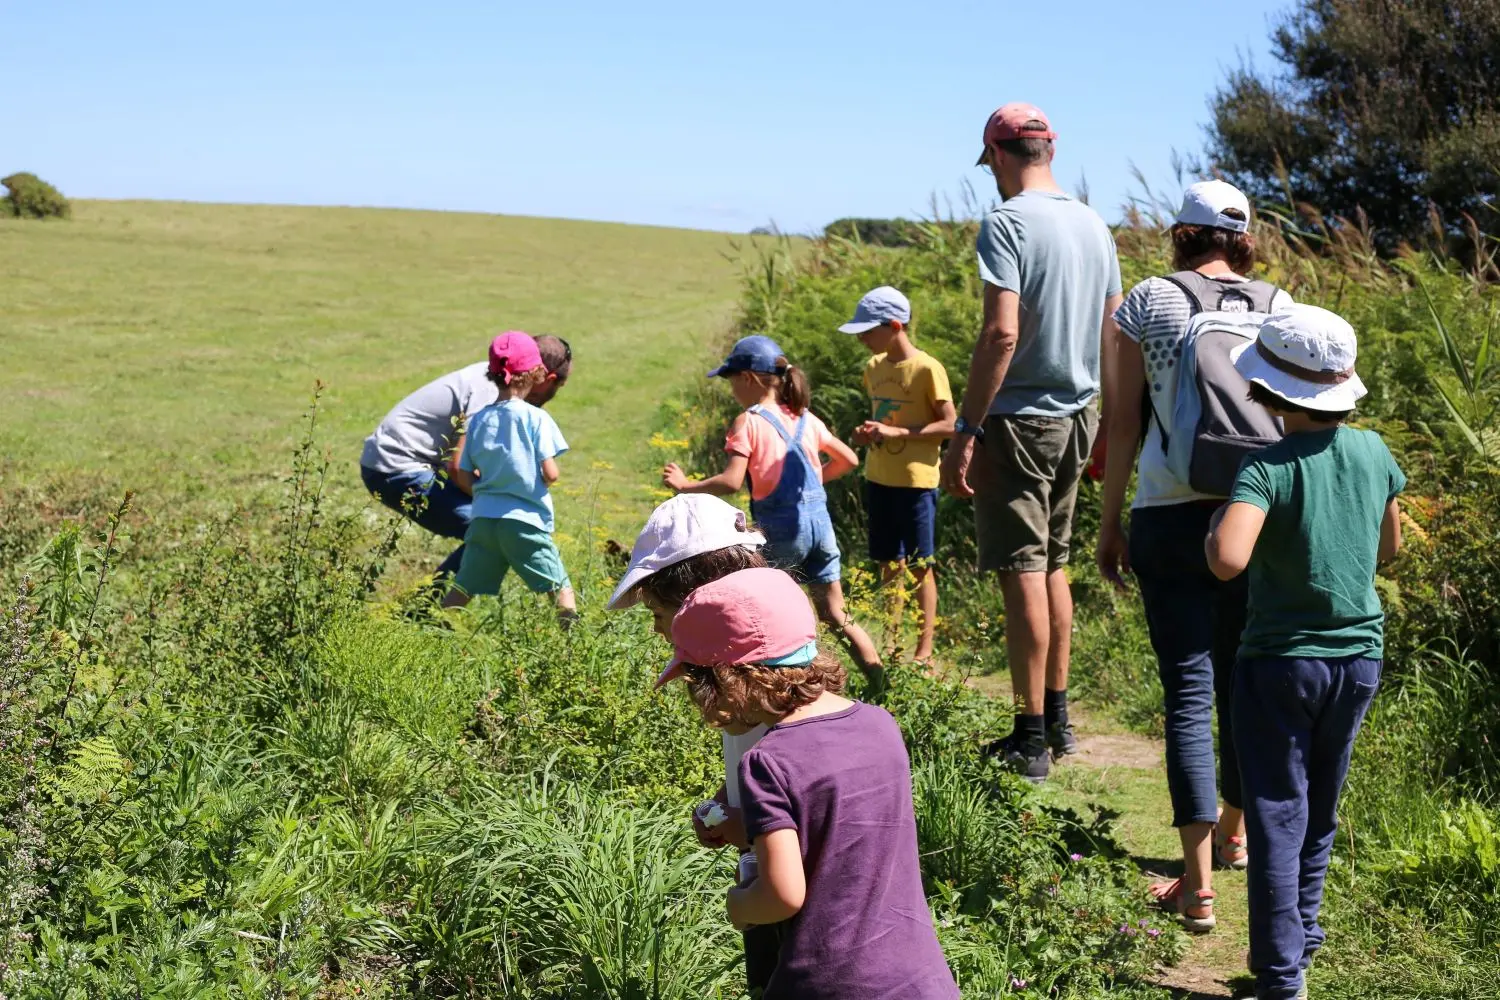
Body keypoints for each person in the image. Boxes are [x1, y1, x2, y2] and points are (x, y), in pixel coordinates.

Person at [1098, 180, 1293, 930]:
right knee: (1242, 683)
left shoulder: (1148, 302)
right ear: (1243, 237)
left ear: (1182, 233)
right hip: (1256, 515)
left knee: (1186, 692)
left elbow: (1121, 425)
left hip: (1169, 515)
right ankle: (1237, 836)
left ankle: (1197, 884)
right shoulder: (1278, 306)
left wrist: (1110, 523)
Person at [1206, 305, 1402, 1000]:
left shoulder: (1266, 467)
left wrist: (1211, 535)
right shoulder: (1376, 452)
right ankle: (1304, 939)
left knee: (1275, 814)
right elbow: (1390, 548)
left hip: (1280, 663)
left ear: (1267, 389)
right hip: (1359, 658)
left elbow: (1229, 560)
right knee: (1319, 809)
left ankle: (1282, 976)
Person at [656, 567, 959, 1000]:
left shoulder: (767, 761)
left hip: (831, 983)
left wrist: (738, 904)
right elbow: (843, 829)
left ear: (724, 680)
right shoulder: (880, 726)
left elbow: (782, 895)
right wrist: (751, 827)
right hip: (919, 978)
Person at [939, 102, 1122, 781]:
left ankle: (1029, 737)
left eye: (990, 162)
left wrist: (967, 430)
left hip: (1018, 420)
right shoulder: (1094, 224)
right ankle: (1060, 720)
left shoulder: (1007, 223)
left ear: (998, 154)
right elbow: (1111, 334)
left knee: (1021, 572)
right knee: (1053, 565)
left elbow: (1001, 334)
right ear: (1049, 149)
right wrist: (1106, 421)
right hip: (1079, 414)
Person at [604, 493, 777, 990]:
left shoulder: (761, 688)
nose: (659, 632)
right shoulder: (738, 673)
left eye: (659, 616)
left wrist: (748, 824)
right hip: (763, 865)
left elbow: (803, 795)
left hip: (794, 887)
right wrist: (731, 801)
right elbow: (759, 770)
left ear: (696, 602)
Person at [663, 335, 885, 690]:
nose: (731, 388)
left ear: (748, 378)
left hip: (783, 531)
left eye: (731, 379)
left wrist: (686, 485)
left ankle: (789, 688)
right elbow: (849, 459)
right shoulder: (804, 417)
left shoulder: (748, 422)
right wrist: (813, 481)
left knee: (774, 614)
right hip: (820, 527)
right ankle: (881, 682)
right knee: (836, 614)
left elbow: (733, 480)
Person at [360, 334, 572, 579]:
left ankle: (432, 607)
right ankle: (424, 611)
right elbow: (459, 467)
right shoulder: (493, 393)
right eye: (558, 386)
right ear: (547, 378)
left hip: (401, 463)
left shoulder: (496, 376)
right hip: (395, 468)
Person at [842, 285, 955, 666]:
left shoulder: (927, 368)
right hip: (880, 477)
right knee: (889, 563)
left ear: (895, 325)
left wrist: (899, 434)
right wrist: (867, 434)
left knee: (922, 565)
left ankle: (924, 652)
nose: (861, 339)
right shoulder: (873, 369)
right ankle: (892, 643)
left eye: (868, 331)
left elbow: (951, 425)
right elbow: (885, 418)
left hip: (917, 482)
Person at [441, 331, 575, 624]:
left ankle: (436, 627)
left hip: (484, 520)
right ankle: (573, 646)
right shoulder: (536, 418)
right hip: (525, 522)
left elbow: (462, 472)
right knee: (561, 589)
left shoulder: (479, 419)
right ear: (536, 374)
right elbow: (551, 474)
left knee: (463, 587)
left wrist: (486, 492)